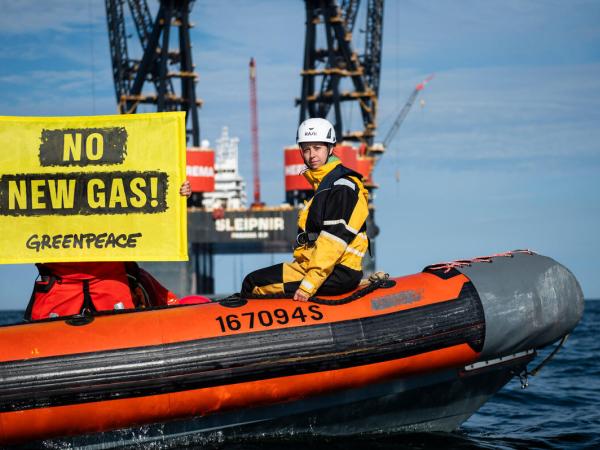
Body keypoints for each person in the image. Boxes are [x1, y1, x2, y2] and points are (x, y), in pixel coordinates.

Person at [241, 118, 370, 301]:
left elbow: (333, 241)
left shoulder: (342, 186)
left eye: (317, 148)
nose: (312, 155)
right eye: (306, 149)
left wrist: (308, 285)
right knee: (254, 280)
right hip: (320, 266)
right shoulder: (325, 185)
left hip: (338, 271)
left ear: (330, 148)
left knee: (253, 284)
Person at [26, 181, 192, 320]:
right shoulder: (45, 185)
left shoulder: (118, 183)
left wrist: (175, 194)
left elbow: (148, 205)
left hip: (111, 277)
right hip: (62, 281)